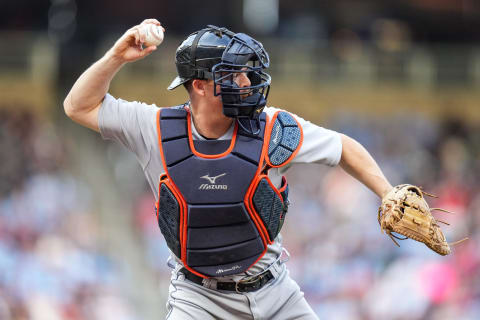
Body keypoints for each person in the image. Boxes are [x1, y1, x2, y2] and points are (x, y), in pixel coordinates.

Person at [64, 19, 393, 319]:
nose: (247, 81)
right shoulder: (154, 128)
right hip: (198, 299)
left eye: (246, 72)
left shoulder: (273, 127)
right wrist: (117, 56)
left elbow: (343, 148)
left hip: (275, 292)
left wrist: (388, 192)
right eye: (233, 73)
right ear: (201, 86)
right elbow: (77, 106)